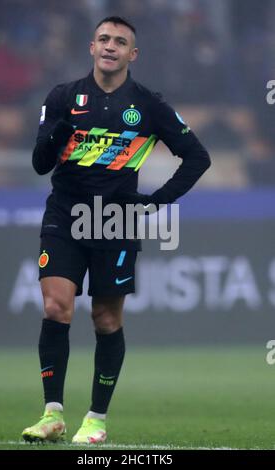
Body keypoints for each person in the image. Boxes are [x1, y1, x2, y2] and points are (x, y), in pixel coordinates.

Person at [22, 16, 211, 445]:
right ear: (92, 47)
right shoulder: (63, 97)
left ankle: (96, 419)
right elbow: (39, 163)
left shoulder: (148, 105)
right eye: (104, 38)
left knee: (106, 318)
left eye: (120, 41)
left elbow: (197, 157)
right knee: (56, 307)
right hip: (65, 215)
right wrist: (59, 133)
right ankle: (52, 414)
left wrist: (155, 202)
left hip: (116, 221)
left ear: (132, 54)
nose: (110, 46)